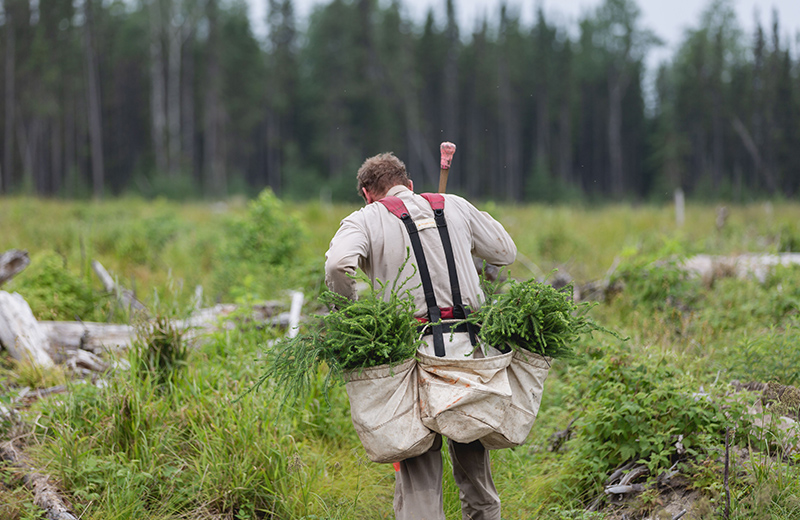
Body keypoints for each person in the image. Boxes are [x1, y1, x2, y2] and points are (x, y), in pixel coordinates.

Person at [325, 152, 517, 520]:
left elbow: (337, 265)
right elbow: (504, 252)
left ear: (367, 193)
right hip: (471, 356)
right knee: (476, 474)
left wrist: (348, 313)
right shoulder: (454, 205)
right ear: (409, 185)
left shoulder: (364, 219)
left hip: (410, 358)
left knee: (419, 479)